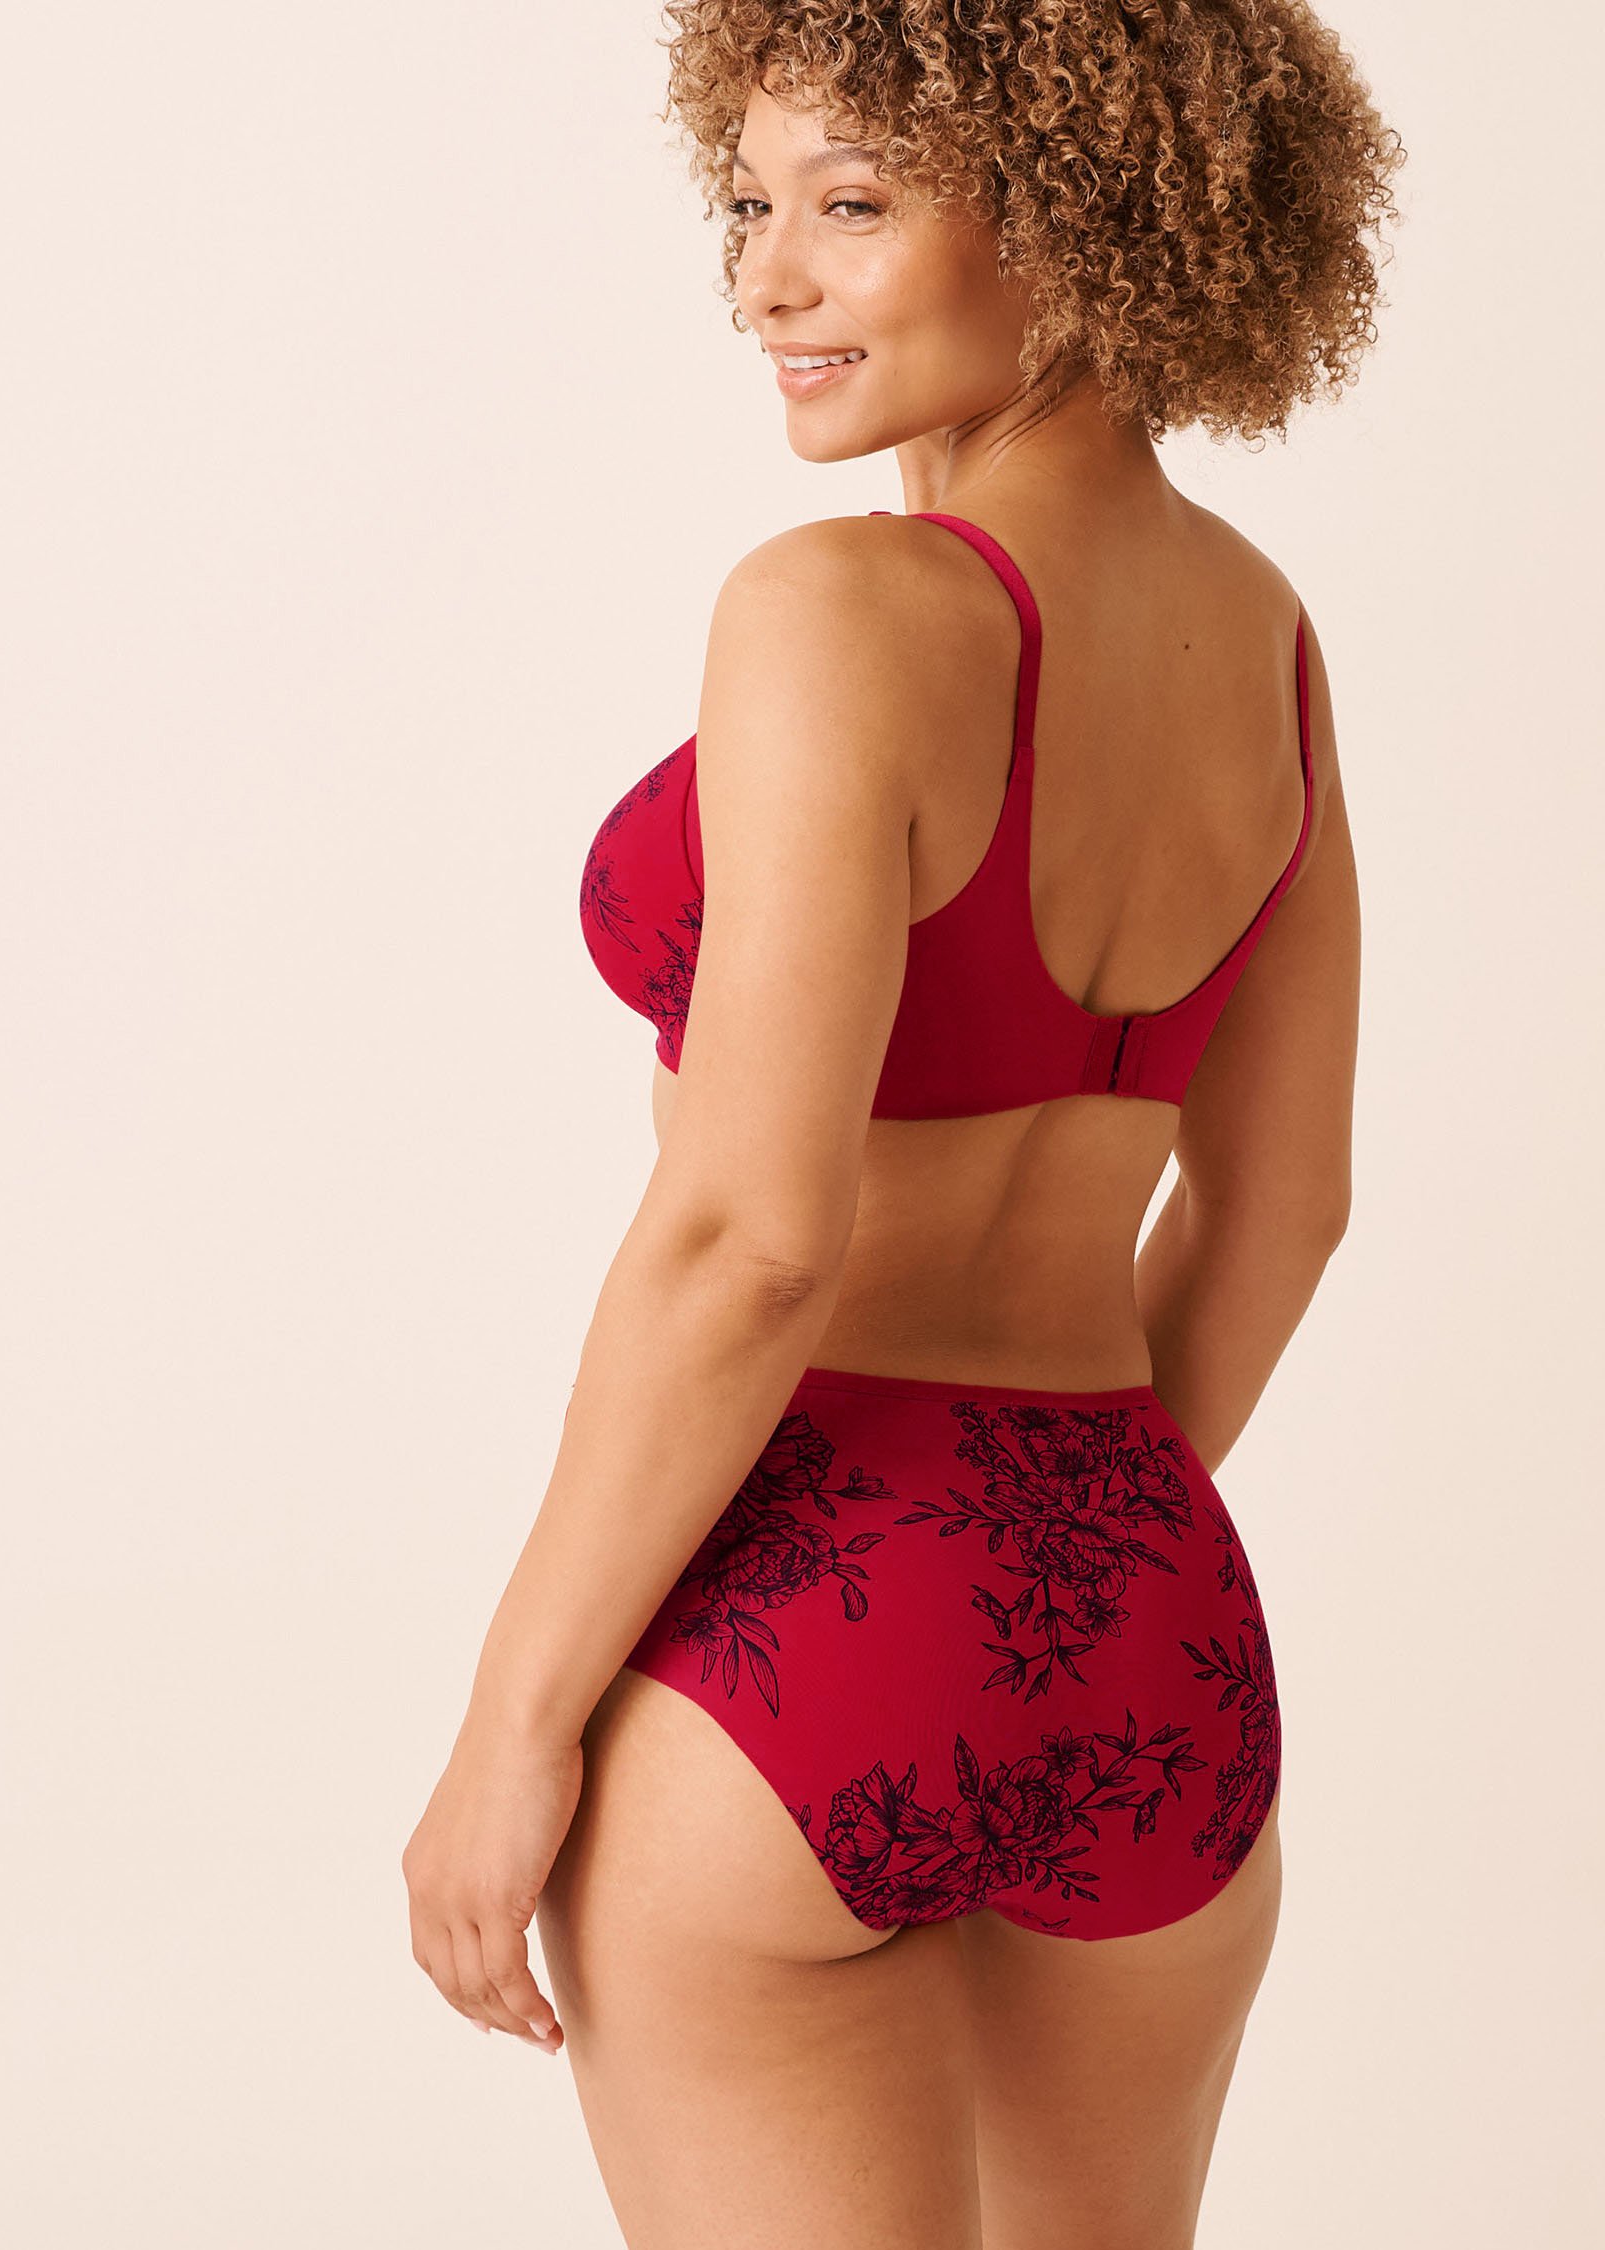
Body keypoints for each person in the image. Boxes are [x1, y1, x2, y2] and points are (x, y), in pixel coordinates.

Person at [403, 4, 1401, 2241]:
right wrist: (1042, 1552)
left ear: (1086, 214)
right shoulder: (1270, 643)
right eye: (749, 206)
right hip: (1143, 1610)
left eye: (851, 206)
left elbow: (750, 1237)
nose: (766, 279)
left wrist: (511, 1724)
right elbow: (1287, 1206)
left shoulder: (837, 609)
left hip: (804, 1612)